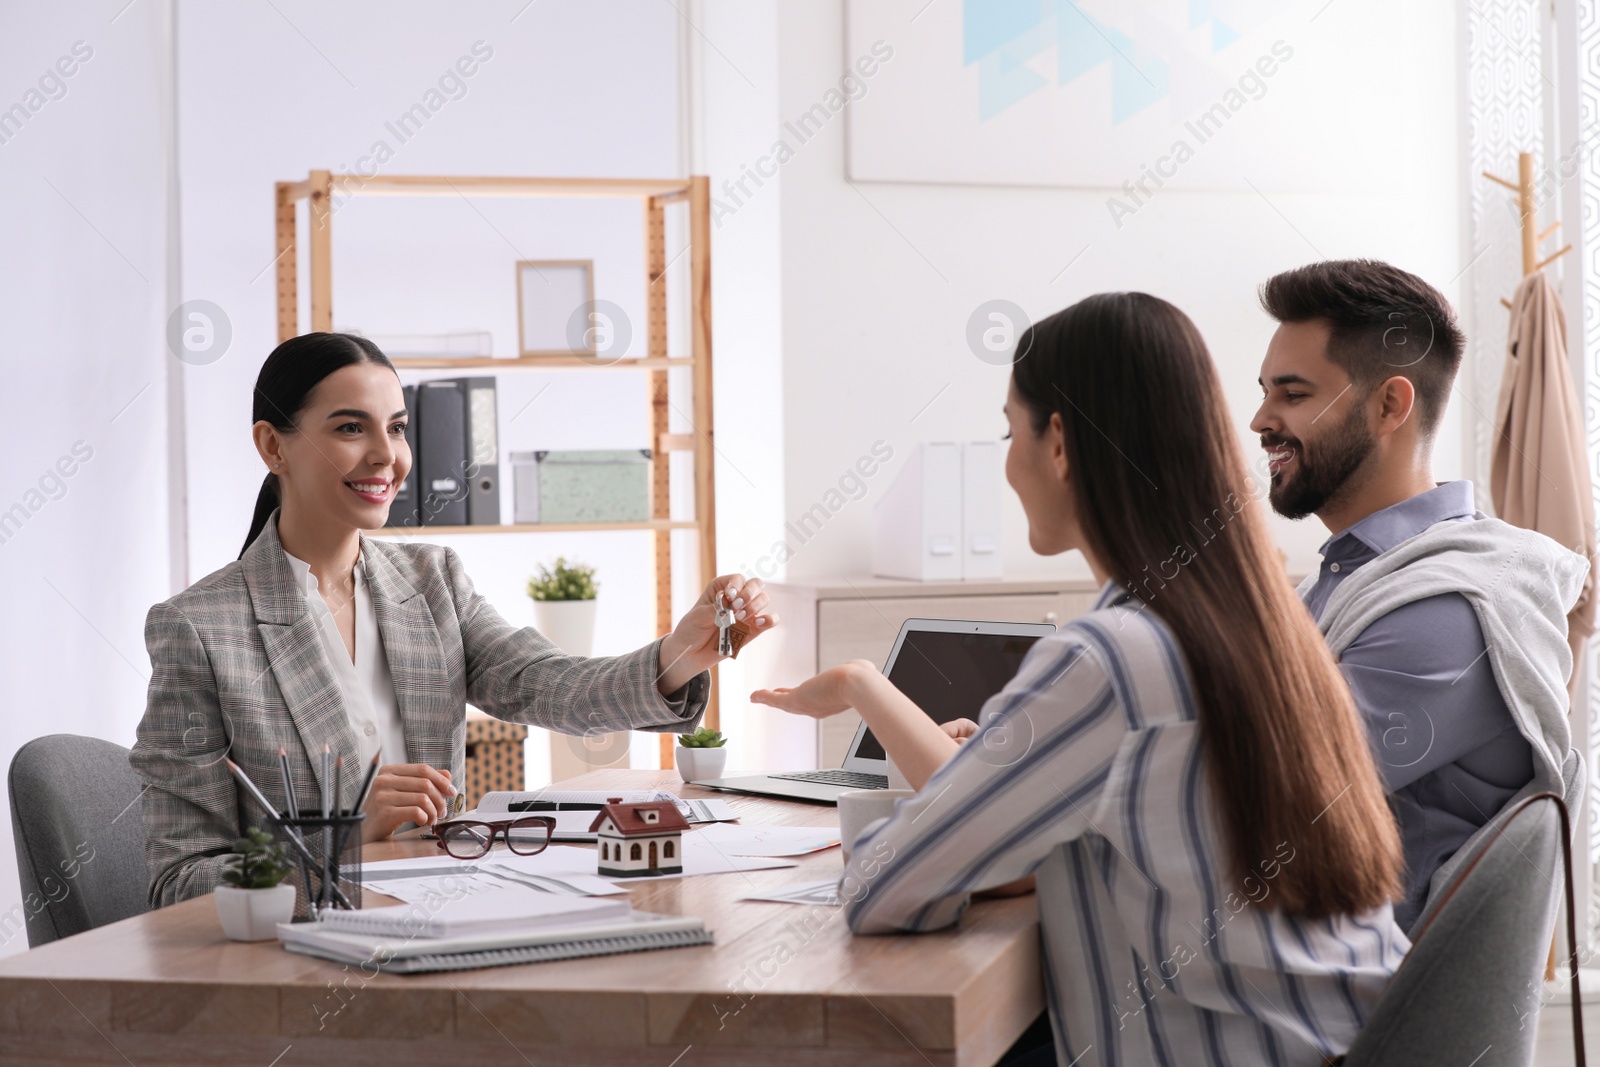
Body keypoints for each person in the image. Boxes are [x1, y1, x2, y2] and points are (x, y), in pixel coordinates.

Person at [753, 293, 1408, 1065]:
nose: (1005, 462)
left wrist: (972, 800)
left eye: (1009, 429)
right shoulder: (1268, 623)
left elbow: (884, 890)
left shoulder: (1106, 658)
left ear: (1059, 442)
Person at [131, 332, 776, 907]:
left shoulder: (431, 580)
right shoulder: (201, 629)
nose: (387, 456)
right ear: (274, 446)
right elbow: (180, 880)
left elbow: (546, 683)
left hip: (451, 908)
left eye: (398, 427)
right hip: (307, 956)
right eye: (351, 429)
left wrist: (682, 652)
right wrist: (344, 837)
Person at [1251, 260, 1587, 931]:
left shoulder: (1446, 609)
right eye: (1265, 391)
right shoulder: (1342, 580)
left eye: (1292, 393)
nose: (1261, 419)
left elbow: (1263, 799)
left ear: (1389, 405)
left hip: (1351, 1017)